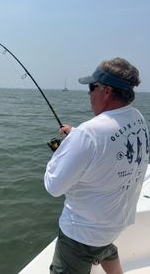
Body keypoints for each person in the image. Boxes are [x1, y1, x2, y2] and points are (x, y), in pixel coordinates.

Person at [44, 57, 149, 274]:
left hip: (81, 235)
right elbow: (109, 148)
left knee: (91, 247)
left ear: (107, 90)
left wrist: (64, 149)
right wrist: (75, 137)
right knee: (104, 247)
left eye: (92, 88)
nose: (89, 94)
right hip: (115, 224)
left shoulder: (88, 134)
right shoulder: (137, 118)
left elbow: (53, 187)